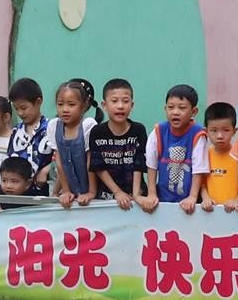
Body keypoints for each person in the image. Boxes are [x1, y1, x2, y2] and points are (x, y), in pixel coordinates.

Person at [89, 79, 149, 210]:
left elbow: (139, 164)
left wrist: (136, 194)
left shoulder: (139, 130)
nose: (120, 106)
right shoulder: (97, 132)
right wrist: (117, 192)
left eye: (125, 101)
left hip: (136, 195)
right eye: (114, 101)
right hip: (106, 198)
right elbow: (98, 166)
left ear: (132, 105)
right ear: (104, 105)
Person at [151, 83, 206, 208]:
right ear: (165, 109)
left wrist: (192, 197)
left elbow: (199, 169)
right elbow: (151, 164)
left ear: (194, 111)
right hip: (162, 200)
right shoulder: (158, 131)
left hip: (189, 202)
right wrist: (152, 194)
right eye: (171, 107)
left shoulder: (198, 134)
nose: (175, 112)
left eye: (182, 108)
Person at [7, 77, 57, 195]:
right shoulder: (16, 131)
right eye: (16, 109)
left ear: (38, 102)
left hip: (45, 191)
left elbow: (62, 158)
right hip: (18, 192)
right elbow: (10, 161)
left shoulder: (52, 127)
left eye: (24, 108)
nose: (20, 113)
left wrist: (46, 170)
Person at [51, 78, 95, 208]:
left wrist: (91, 193)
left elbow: (91, 163)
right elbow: (60, 163)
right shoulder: (54, 126)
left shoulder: (88, 126)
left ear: (84, 105)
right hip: (70, 192)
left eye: (71, 105)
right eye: (60, 104)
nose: (65, 109)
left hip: (91, 191)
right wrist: (65, 191)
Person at [198, 101, 238, 212]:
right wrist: (206, 198)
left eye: (226, 130)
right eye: (214, 130)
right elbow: (201, 183)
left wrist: (236, 201)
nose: (219, 136)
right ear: (206, 131)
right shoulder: (204, 155)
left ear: (234, 131)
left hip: (236, 212)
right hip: (210, 212)